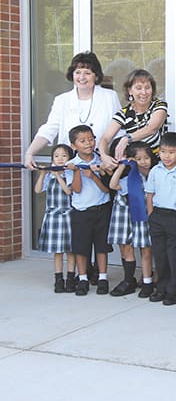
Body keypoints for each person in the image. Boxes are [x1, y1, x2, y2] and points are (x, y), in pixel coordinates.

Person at [24, 51, 121, 169]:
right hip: (69, 165)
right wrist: (30, 153)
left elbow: (119, 129)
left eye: (87, 73)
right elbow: (49, 130)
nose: (82, 77)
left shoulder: (110, 97)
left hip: (100, 165)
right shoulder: (62, 100)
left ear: (96, 76)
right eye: (78, 72)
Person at [145, 132, 176, 306]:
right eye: (163, 151)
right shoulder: (155, 170)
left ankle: (173, 290)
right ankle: (161, 288)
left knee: (174, 254)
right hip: (157, 215)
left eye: (171, 152)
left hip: (173, 216)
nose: (166, 156)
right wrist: (151, 213)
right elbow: (150, 193)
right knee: (159, 254)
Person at [65, 125, 112, 296]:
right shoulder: (71, 165)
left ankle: (102, 278)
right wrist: (77, 171)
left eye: (91, 139)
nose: (88, 143)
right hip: (81, 211)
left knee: (102, 246)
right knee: (81, 247)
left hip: (101, 209)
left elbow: (107, 189)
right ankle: (83, 278)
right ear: (73, 145)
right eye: (82, 141)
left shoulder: (101, 160)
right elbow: (76, 189)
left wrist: (94, 175)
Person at [107, 142, 155, 297]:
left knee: (146, 249)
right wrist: (122, 165)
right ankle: (128, 280)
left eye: (146, 158)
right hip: (125, 216)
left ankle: (147, 281)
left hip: (143, 217)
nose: (143, 161)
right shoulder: (129, 178)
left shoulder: (154, 176)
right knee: (127, 248)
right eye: (138, 158)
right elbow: (113, 185)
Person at [99, 69, 168, 170]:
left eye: (147, 87)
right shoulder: (124, 113)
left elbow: (152, 128)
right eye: (138, 88)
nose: (144, 92)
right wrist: (104, 156)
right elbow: (105, 138)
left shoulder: (159, 104)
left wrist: (126, 139)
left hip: (160, 166)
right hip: (136, 167)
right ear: (130, 90)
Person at [34, 144, 74, 293]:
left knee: (71, 250)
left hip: (67, 215)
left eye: (64, 156)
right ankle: (58, 278)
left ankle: (71, 277)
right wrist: (43, 174)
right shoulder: (49, 175)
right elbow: (38, 190)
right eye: (56, 156)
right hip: (53, 216)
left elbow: (68, 191)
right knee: (58, 251)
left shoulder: (69, 173)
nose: (60, 159)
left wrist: (58, 175)